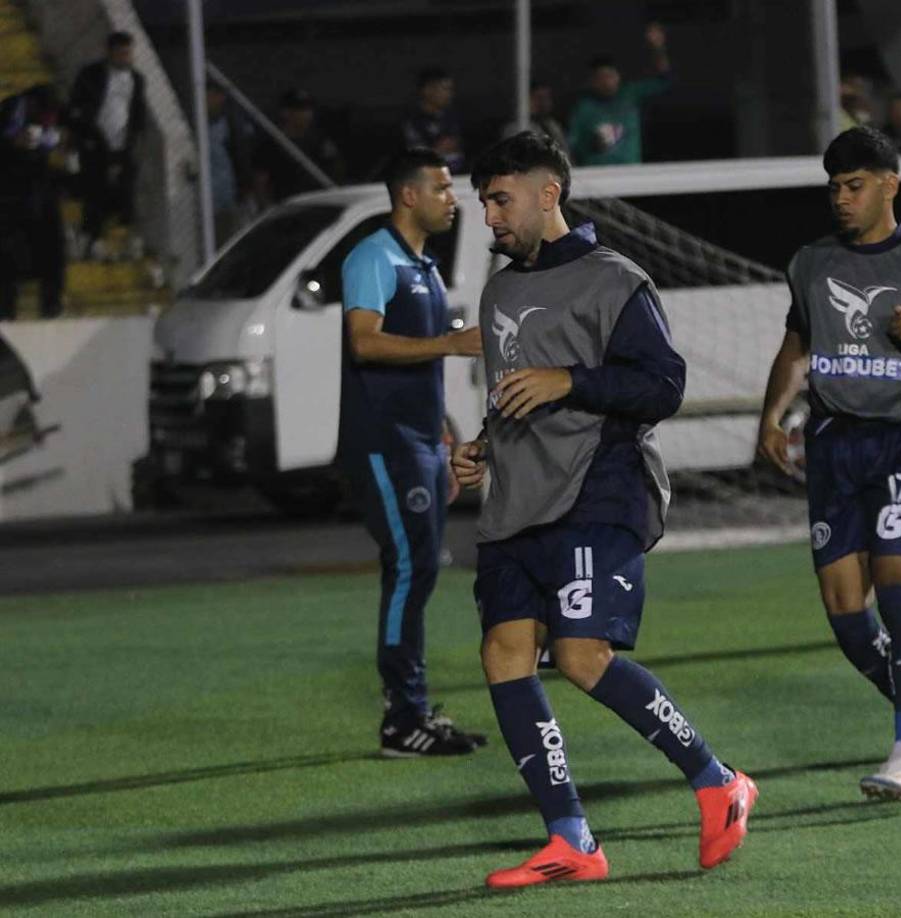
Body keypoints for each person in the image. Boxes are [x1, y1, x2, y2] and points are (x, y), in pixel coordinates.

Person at [452, 132, 756, 888]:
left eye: (500, 198)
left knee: (582, 655)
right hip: (517, 498)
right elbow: (516, 390)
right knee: (503, 655)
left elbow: (661, 386)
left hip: (600, 487)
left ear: (547, 194)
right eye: (484, 199)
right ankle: (571, 840)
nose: (489, 214)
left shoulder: (615, 279)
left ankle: (718, 782)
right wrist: (484, 447)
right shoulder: (498, 292)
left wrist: (570, 382)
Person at [757, 126, 901, 801]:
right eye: (833, 187)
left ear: (889, 184)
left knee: (896, 583)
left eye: (853, 186)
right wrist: (770, 416)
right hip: (833, 441)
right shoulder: (813, 263)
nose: (841, 198)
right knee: (844, 613)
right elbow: (795, 344)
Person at [338, 147, 486, 757]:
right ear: (409, 195)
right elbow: (365, 344)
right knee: (409, 567)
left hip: (419, 442)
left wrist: (444, 437)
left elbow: (421, 364)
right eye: (444, 188)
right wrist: (452, 344)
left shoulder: (422, 268)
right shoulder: (375, 256)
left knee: (421, 567)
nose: (454, 200)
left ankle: (413, 709)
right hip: (382, 444)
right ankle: (403, 718)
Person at [67, 31, 146, 254]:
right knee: (95, 190)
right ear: (110, 53)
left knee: (126, 189)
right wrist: (85, 136)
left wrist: (135, 137)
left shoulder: (136, 80)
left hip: (123, 146)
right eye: (121, 53)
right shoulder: (91, 75)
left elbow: (137, 112)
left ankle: (124, 238)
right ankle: (92, 238)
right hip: (96, 143)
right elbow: (78, 107)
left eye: (128, 53)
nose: (126, 58)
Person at [0, 84, 67, 319]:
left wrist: (55, 144)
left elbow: (56, 140)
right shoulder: (8, 111)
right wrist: (11, 144)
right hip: (8, 194)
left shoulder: (48, 120)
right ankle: (5, 312)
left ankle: (51, 306)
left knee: (53, 247)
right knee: (8, 255)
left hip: (37, 191)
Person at [567, 22, 670, 166]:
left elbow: (664, 81)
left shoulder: (630, 95)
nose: (606, 82)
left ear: (618, 77)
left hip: (629, 173)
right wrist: (591, 145)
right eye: (600, 78)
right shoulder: (584, 108)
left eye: (610, 76)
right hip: (599, 176)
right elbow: (571, 146)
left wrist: (658, 48)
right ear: (592, 82)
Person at [252, 89, 344, 207]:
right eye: (301, 110)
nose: (307, 114)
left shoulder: (319, 140)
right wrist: (266, 206)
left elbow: (336, 169)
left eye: (308, 109)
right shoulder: (271, 143)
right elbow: (260, 180)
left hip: (318, 202)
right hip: (288, 205)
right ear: (285, 112)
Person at [205, 79, 254, 244]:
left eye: (217, 95)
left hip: (228, 195)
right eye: (210, 94)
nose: (213, 99)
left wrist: (244, 189)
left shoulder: (231, 124)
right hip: (207, 197)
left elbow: (241, 158)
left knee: (229, 239)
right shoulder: (198, 124)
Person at [402, 68, 465, 173]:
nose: (449, 94)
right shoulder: (412, 120)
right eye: (445, 89)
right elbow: (414, 154)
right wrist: (436, 150)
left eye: (450, 90)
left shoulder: (452, 116)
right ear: (427, 90)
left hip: (456, 171)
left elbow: (457, 144)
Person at [501, 81, 567, 151]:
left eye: (547, 98)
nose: (544, 103)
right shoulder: (516, 127)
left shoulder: (553, 125)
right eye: (539, 98)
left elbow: (565, 153)